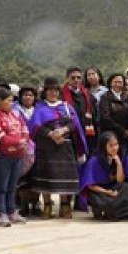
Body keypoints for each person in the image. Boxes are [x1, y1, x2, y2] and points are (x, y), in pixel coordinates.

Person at [29, 77, 87, 219]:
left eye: (55, 91)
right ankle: (47, 205)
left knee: (65, 176)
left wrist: (63, 131)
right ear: (45, 92)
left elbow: (75, 124)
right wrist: (51, 134)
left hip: (65, 147)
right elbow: (35, 126)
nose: (53, 93)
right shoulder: (40, 107)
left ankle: (65, 205)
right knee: (46, 176)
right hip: (46, 147)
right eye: (50, 91)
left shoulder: (66, 106)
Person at [0, 89, 30, 227]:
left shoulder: (14, 114)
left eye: (12, 101)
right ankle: (1, 213)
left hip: (17, 156)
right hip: (3, 156)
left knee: (13, 186)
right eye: (8, 101)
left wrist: (23, 140)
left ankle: (12, 211)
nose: (11, 104)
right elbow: (0, 136)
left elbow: (24, 128)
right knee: (2, 186)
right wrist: (17, 142)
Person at [79, 132, 128, 220]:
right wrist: (107, 192)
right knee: (99, 197)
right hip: (98, 190)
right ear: (104, 146)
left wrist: (118, 163)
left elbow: (120, 180)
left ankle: (114, 210)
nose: (114, 148)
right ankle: (105, 209)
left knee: (125, 186)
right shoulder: (94, 160)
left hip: (111, 188)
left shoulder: (117, 157)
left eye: (116, 144)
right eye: (111, 145)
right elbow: (90, 185)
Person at [14, 86, 40, 217]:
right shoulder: (15, 111)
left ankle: (35, 204)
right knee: (23, 177)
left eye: (30, 95)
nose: (28, 97)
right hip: (22, 148)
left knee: (36, 177)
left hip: (39, 148)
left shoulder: (39, 110)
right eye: (25, 95)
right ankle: (23, 205)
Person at [99, 73, 128, 156]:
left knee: (124, 158)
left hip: (126, 136)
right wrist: (122, 130)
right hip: (111, 134)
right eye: (115, 82)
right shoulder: (105, 97)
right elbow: (105, 117)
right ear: (110, 83)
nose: (118, 84)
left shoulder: (126, 96)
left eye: (120, 82)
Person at [62, 66, 97, 154]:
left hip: (87, 132)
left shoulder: (87, 94)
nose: (76, 80)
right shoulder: (61, 95)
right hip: (70, 133)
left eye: (79, 77)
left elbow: (94, 113)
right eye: (73, 78)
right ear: (67, 79)